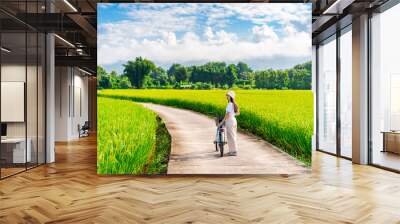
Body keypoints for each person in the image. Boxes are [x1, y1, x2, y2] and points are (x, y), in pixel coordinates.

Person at [218, 91, 239, 156]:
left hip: (230, 121)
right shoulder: (234, 104)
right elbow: (238, 113)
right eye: (226, 95)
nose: (226, 97)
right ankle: (232, 151)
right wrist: (233, 114)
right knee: (233, 136)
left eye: (228, 96)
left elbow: (227, 115)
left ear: (231, 97)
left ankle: (234, 151)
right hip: (234, 120)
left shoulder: (230, 104)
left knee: (231, 136)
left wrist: (221, 122)